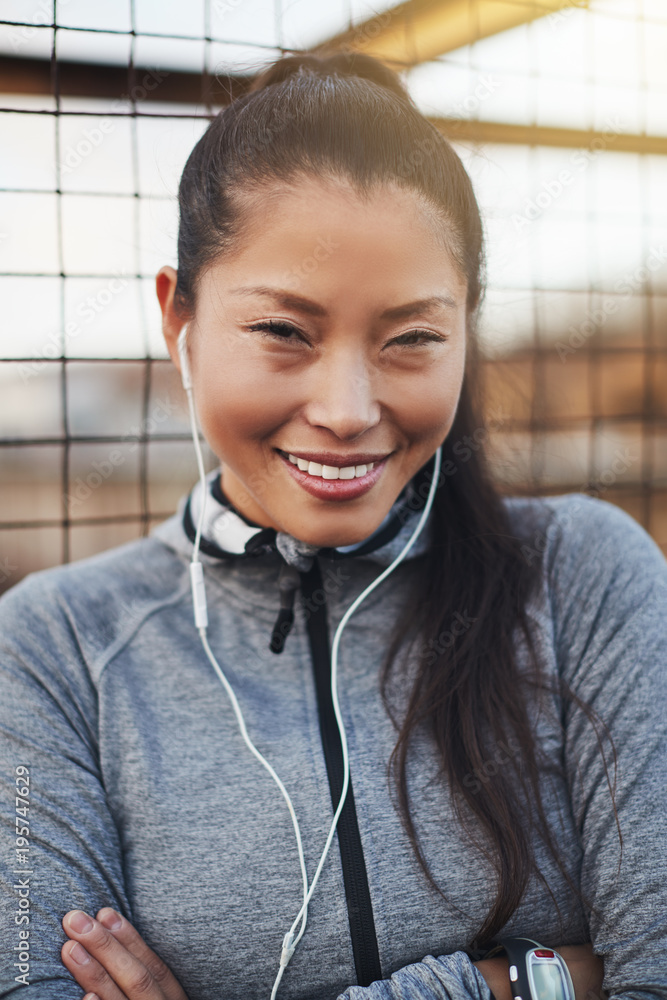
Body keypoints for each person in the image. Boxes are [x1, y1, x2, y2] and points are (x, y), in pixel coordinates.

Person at [1, 51, 666, 1000]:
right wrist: (540, 981)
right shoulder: (51, 648)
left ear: (465, 333)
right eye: (283, 332)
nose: (348, 409)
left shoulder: (586, 574)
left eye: (411, 339)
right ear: (177, 317)